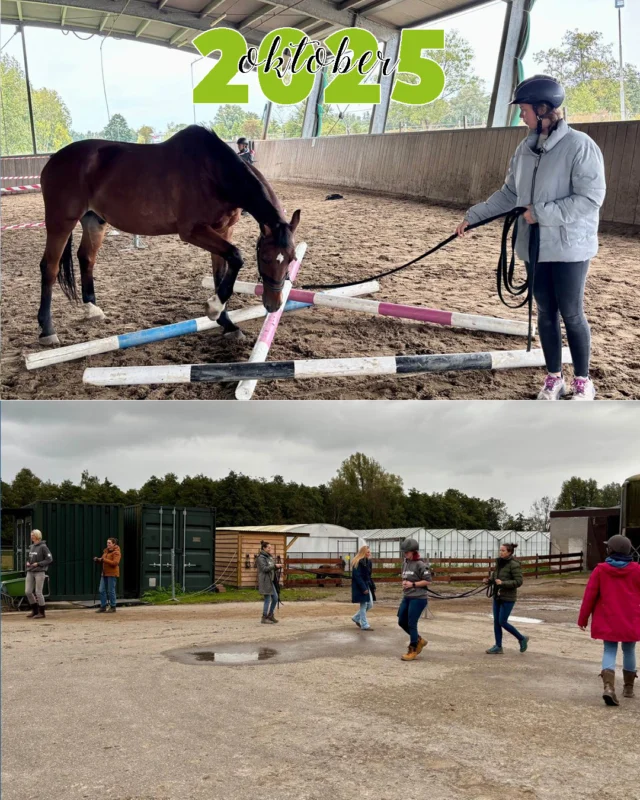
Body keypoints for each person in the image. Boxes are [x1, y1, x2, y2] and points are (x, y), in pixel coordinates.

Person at [456, 75, 606, 401]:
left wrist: (541, 212)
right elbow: (510, 192)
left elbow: (590, 198)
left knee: (571, 312)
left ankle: (582, 381)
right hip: (534, 245)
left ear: (542, 109)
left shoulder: (580, 147)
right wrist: (474, 216)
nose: (520, 117)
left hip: (569, 247)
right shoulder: (525, 148)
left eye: (524, 110)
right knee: (545, 312)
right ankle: (554, 378)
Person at [578, 534, 640, 706]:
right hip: (631, 619)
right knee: (629, 650)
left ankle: (609, 687)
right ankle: (628, 688)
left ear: (610, 550)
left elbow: (589, 596)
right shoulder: (637, 570)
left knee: (609, 650)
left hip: (608, 619)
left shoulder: (601, 570)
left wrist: (583, 619)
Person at [484, 543, 528, 654]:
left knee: (502, 621)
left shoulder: (514, 565)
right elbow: (495, 576)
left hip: (508, 597)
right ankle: (498, 646)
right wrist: (489, 580)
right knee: (496, 622)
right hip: (497, 596)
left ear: (509, 552)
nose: (501, 552)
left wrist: (503, 583)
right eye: (500, 550)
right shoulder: (499, 563)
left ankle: (521, 638)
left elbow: (519, 581)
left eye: (503, 550)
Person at [397, 538, 431, 661]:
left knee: (412, 623)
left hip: (418, 598)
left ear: (413, 551)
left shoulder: (420, 564)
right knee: (401, 621)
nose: (405, 554)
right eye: (404, 552)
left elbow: (428, 580)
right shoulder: (405, 563)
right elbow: (405, 577)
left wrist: (413, 584)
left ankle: (413, 649)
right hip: (407, 596)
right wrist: (404, 583)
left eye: (407, 552)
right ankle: (419, 640)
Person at [25, 529, 53, 619]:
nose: (31, 536)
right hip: (30, 571)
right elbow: (29, 558)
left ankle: (42, 612)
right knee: (28, 591)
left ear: (37, 536)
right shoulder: (32, 546)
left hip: (39, 572)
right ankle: (34, 610)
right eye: (31, 535)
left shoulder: (43, 547)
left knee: (38, 592)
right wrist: (27, 562)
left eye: (33, 535)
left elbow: (49, 559)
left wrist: (39, 563)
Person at [351, 545, 376, 631]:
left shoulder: (368, 562)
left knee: (370, 604)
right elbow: (357, 576)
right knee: (364, 604)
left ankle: (356, 617)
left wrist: (372, 585)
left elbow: (369, 575)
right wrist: (363, 588)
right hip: (360, 586)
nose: (369, 553)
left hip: (367, 585)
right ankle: (364, 625)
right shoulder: (357, 562)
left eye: (369, 552)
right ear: (363, 553)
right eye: (368, 552)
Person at [94, 537, 122, 613]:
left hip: (112, 574)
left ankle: (113, 607)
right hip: (104, 573)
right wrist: (98, 560)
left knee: (111, 591)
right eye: (107, 543)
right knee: (101, 590)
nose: (108, 544)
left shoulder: (117, 552)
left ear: (114, 544)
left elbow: (115, 563)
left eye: (109, 543)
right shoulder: (106, 551)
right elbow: (103, 560)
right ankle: (103, 606)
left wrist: (104, 560)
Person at [257, 541, 280, 624]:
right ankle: (264, 617)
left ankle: (270, 615)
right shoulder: (261, 558)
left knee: (275, 598)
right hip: (265, 581)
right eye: (269, 548)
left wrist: (277, 567)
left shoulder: (269, 557)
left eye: (271, 547)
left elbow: (271, 567)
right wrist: (274, 566)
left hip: (271, 580)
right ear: (264, 548)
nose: (270, 549)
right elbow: (264, 569)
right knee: (267, 599)